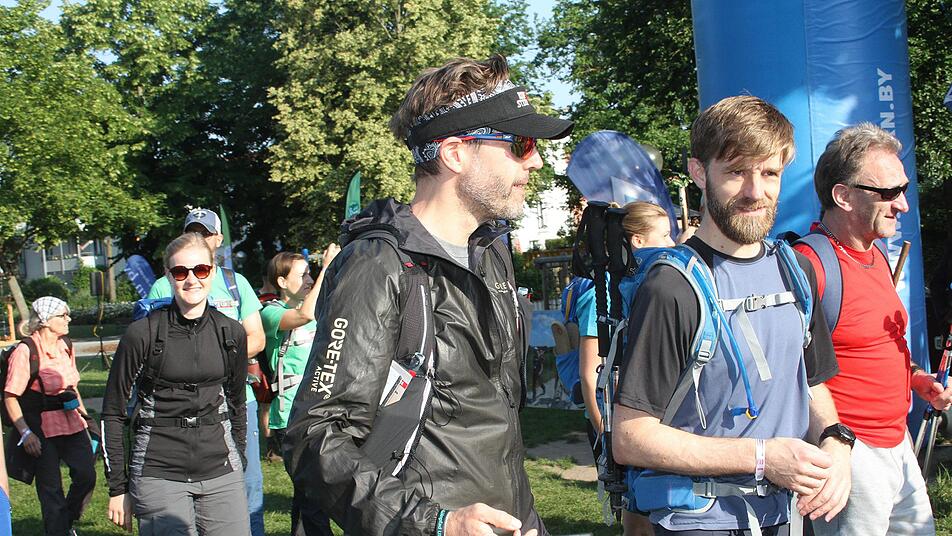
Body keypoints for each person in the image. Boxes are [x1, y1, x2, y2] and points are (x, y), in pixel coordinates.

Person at [284, 54, 573, 536]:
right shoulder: (377, 265)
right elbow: (315, 437)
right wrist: (436, 523)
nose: (536, 160)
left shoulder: (491, 254)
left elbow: (489, 424)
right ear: (455, 153)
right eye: (520, 145)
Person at [612, 95, 849, 535]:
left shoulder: (794, 270)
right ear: (699, 172)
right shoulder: (672, 287)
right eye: (737, 172)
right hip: (701, 522)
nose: (755, 192)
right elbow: (631, 437)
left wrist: (835, 441)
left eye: (770, 173)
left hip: (787, 517)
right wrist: (762, 458)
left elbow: (811, 381)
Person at [792, 123, 951, 535]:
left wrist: (917, 378)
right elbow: (794, 370)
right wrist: (833, 446)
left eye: (904, 189)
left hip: (897, 441)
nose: (903, 204)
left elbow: (875, 346)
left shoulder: (874, 253)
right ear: (843, 196)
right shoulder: (810, 265)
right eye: (888, 192)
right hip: (849, 452)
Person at [102, 233, 249, 535]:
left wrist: (240, 455)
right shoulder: (142, 334)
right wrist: (118, 487)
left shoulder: (231, 333)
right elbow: (113, 412)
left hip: (220, 468)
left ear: (212, 271)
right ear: (168, 275)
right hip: (159, 469)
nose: (191, 279)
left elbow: (237, 402)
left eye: (201, 270)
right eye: (181, 272)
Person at [147, 207, 266, 536]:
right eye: (192, 232)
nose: (199, 238)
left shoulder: (235, 283)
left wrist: (211, 359)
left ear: (218, 239)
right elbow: (151, 348)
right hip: (179, 410)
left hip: (237, 399)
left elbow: (256, 338)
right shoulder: (163, 285)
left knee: (247, 480)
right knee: (185, 487)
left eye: (205, 233)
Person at [572, 201, 675, 536]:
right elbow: (590, 373)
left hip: (641, 417)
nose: (672, 243)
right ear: (638, 242)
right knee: (637, 516)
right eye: (665, 235)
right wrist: (607, 434)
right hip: (616, 421)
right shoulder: (602, 293)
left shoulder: (638, 285)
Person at [260, 245, 339, 535]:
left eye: (310, 274)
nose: (309, 279)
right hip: (291, 416)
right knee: (313, 494)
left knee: (307, 496)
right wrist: (325, 267)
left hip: (319, 410)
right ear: (282, 281)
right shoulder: (270, 313)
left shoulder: (317, 307)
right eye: (303, 275)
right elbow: (303, 316)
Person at [3, 296, 96, 536]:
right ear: (45, 320)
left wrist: (86, 419)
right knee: (50, 488)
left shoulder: (66, 345)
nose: (68, 319)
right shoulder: (26, 351)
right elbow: (10, 396)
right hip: (40, 426)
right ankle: (58, 530)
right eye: (63, 315)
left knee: (87, 475)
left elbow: (72, 387)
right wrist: (26, 433)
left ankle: (65, 521)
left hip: (71, 421)